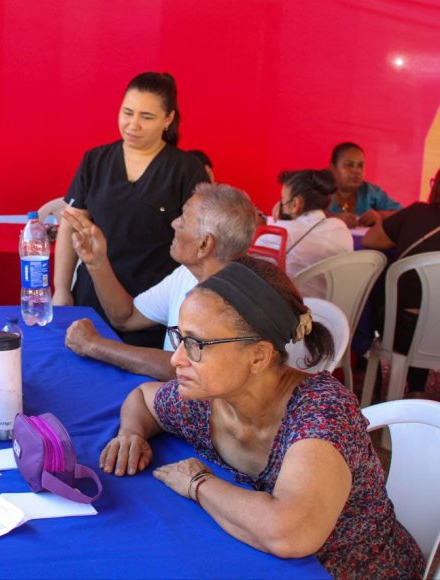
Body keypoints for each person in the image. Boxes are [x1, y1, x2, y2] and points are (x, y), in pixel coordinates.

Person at [100, 256, 424, 578]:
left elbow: (289, 532)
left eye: (196, 344)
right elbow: (143, 397)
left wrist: (198, 483)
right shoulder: (207, 401)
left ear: (259, 356)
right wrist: (131, 433)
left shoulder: (321, 412)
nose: (177, 358)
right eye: (180, 337)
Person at [53, 72, 208, 348]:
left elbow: (200, 242)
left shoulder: (186, 169)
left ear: (168, 119)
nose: (132, 125)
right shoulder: (95, 160)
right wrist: (62, 289)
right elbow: (69, 224)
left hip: (150, 308)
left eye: (146, 117)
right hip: (92, 299)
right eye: (127, 113)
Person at [62, 182, 256, 380]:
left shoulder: (235, 298)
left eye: (183, 219)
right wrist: (98, 262)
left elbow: (189, 370)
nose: (174, 223)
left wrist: (95, 345)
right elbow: (126, 317)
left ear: (204, 243)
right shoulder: (186, 274)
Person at [360, 167, 440, 397]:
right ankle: (417, 389)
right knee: (429, 309)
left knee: (384, 304)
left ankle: (370, 388)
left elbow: (370, 238)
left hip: (403, 330)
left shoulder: (417, 213)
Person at [257, 169, 353, 297]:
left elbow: (253, 274)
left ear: (296, 204)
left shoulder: (279, 234)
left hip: (296, 312)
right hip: (336, 313)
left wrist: (260, 229)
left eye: (283, 199)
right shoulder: (340, 228)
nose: (280, 205)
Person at [327, 142, 401, 228]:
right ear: (333, 168)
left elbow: (404, 214)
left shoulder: (371, 192)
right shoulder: (320, 191)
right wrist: (332, 220)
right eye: (349, 165)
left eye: (360, 165)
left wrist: (380, 215)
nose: (357, 171)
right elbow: (308, 219)